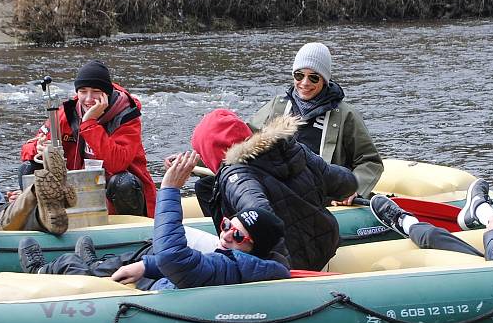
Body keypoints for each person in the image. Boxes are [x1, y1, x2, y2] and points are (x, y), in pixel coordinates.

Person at [18, 151, 290, 290]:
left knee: (72, 265)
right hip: (166, 287)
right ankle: (93, 264)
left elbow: (176, 258)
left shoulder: (237, 264)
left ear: (255, 249)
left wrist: (170, 189)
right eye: (228, 226)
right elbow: (191, 265)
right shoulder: (238, 261)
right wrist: (147, 266)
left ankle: (44, 271)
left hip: (165, 298)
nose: (228, 234)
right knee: (144, 257)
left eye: (239, 236)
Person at [192, 109, 357, 271]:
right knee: (204, 186)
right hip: (324, 246)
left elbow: (261, 216)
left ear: (212, 152)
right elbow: (346, 183)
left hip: (292, 264)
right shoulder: (292, 149)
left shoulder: (237, 178)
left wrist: (282, 272)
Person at [248, 42, 383, 204]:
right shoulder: (278, 106)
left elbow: (369, 161)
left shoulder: (345, 114)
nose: (304, 83)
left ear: (325, 80)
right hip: (279, 192)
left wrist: (353, 189)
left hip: (323, 199)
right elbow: (247, 139)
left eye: (313, 77)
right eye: (299, 75)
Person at [20, 60, 156, 217]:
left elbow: (118, 164)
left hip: (116, 194)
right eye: (83, 91)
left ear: (107, 93)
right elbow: (27, 148)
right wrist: (38, 148)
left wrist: (89, 123)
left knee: (123, 181)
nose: (88, 98)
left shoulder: (127, 116)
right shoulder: (66, 113)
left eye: (96, 91)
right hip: (77, 191)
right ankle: (39, 219)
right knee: (28, 168)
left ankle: (133, 231)